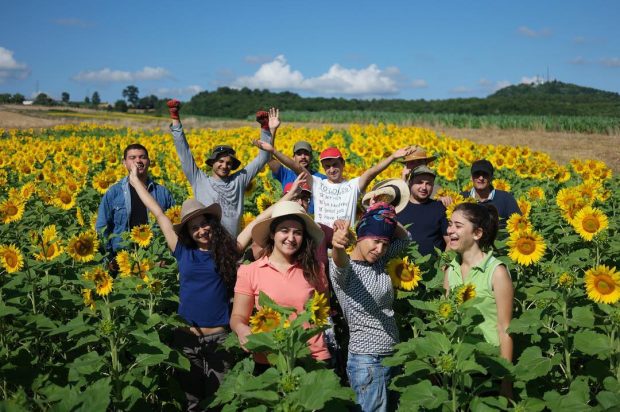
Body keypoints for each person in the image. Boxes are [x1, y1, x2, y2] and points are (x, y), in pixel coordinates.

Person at [127, 164, 241, 412]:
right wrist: (136, 183)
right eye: (194, 227)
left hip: (219, 338)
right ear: (188, 232)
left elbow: (257, 226)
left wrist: (288, 198)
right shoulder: (182, 251)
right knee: (190, 403)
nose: (201, 230)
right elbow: (159, 214)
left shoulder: (226, 252)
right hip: (186, 339)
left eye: (204, 223)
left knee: (219, 401)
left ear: (212, 223)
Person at [230, 201, 331, 369]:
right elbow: (238, 317)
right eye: (284, 230)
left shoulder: (315, 269)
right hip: (270, 356)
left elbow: (323, 307)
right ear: (272, 234)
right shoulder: (250, 271)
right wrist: (241, 329)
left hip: (312, 355)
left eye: (297, 233)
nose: (291, 238)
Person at [330, 203, 410, 412]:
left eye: (384, 243)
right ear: (360, 236)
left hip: (393, 354)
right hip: (368, 361)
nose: (380, 249)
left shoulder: (378, 260)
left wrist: (387, 214)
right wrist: (338, 245)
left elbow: (405, 239)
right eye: (375, 241)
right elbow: (339, 262)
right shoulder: (347, 272)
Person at [168, 100, 275, 235]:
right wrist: (175, 118)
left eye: (229, 163)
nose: (224, 166)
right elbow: (184, 154)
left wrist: (265, 128)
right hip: (207, 245)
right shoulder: (199, 180)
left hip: (232, 247)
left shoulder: (239, 180)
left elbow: (263, 158)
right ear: (212, 162)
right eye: (220, 161)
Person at [254, 142, 414, 228]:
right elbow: (296, 166)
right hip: (321, 242)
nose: (332, 169)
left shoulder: (353, 186)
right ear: (323, 168)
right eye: (328, 166)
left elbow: (372, 172)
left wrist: (392, 157)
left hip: (345, 242)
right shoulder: (317, 183)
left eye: (335, 164)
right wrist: (273, 151)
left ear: (343, 163)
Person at [443, 202, 513, 396]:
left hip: (488, 366)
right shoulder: (451, 270)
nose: (450, 230)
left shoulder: (496, 271)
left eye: (458, 226)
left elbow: (505, 329)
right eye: (450, 224)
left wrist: (506, 382)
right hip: (457, 364)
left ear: (477, 233)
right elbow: (447, 319)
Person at [96, 143, 174, 270]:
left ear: (148, 161)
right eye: (132, 158)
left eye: (142, 157)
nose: (138, 160)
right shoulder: (114, 193)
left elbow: (174, 226)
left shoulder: (162, 192)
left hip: (155, 261)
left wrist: (168, 256)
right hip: (122, 261)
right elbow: (102, 228)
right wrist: (109, 259)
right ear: (124, 163)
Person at [397, 166, 450, 256]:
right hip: (401, 265)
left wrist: (444, 265)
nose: (424, 187)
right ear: (410, 183)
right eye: (419, 182)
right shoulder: (399, 207)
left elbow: (450, 241)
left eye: (428, 183)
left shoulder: (440, 208)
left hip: (434, 267)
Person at [267, 140, 326, 213]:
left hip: (312, 220)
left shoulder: (321, 179)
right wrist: (271, 131)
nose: (303, 157)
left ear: (311, 157)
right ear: (293, 157)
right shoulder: (285, 174)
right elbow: (268, 157)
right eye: (299, 154)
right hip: (289, 218)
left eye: (306, 154)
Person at [461, 160, 520, 229]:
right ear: (471, 177)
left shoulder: (505, 198)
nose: (481, 178)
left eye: (485, 174)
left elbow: (518, 222)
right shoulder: (462, 198)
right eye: (477, 174)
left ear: (491, 178)